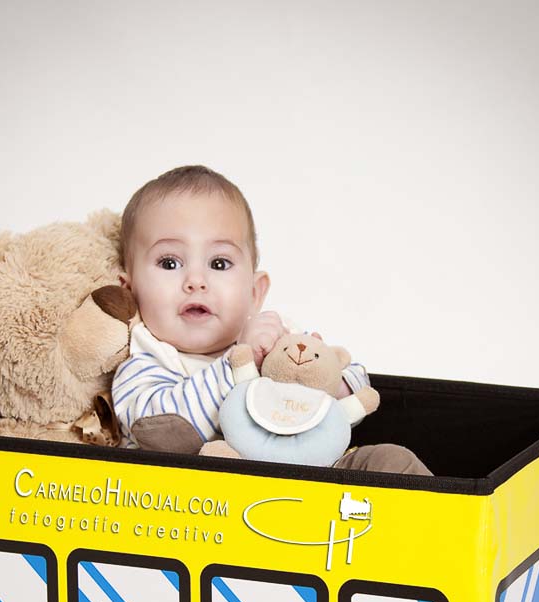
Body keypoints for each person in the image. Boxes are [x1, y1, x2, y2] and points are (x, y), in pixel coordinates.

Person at [112, 165, 431, 475]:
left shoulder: (276, 338)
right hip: (211, 503)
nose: (196, 280)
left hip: (315, 477)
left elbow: (354, 377)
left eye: (219, 263)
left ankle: (446, 524)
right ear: (129, 290)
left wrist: (328, 379)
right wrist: (237, 363)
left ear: (254, 292)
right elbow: (158, 428)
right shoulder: (144, 362)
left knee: (393, 462)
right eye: (169, 263)